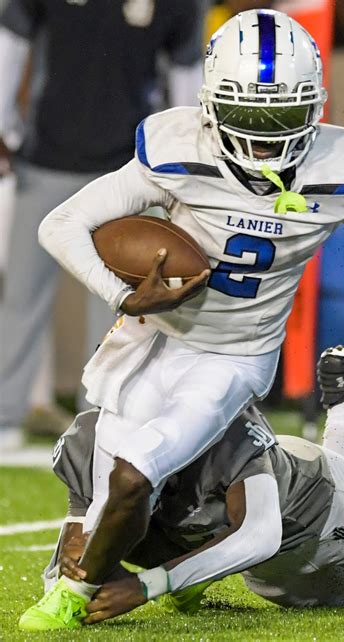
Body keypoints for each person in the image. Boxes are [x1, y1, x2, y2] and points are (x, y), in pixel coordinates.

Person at [19, 9, 344, 630]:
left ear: (315, 105)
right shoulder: (177, 153)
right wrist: (121, 296)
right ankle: (121, 576)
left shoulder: (340, 168)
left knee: (137, 474)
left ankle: (75, 595)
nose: (265, 137)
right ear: (210, 106)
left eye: (281, 116)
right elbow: (60, 223)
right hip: (152, 341)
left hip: (235, 356)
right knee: (115, 476)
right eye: (250, 116)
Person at [20, 336, 344, 628]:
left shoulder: (219, 421)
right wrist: (78, 576)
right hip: (254, 554)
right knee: (342, 597)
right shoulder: (87, 439)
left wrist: (146, 587)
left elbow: (260, 533)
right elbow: (77, 549)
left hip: (311, 508)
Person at [0, 0, 206, 450]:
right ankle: (5, 415)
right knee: (21, 296)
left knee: (122, 305)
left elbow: (187, 75)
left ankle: (104, 414)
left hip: (126, 173)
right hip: (46, 158)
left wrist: (185, 157)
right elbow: (10, 39)